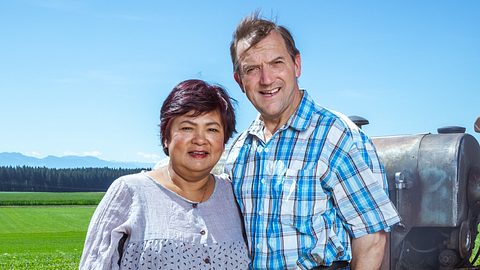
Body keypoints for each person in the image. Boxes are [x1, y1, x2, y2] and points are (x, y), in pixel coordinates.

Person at [224, 13, 401, 270]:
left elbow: (371, 237)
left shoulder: (337, 136)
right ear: (239, 80)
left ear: (296, 65)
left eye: (277, 63)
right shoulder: (240, 151)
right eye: (252, 69)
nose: (266, 79)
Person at [80, 79, 249, 269]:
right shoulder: (130, 191)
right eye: (187, 127)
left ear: (224, 140)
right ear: (166, 137)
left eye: (212, 129)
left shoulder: (234, 194)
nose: (200, 139)